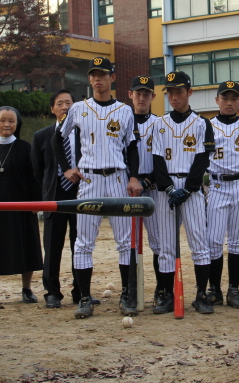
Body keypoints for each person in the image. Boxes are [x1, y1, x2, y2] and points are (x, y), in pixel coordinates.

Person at [53, 57, 143, 319]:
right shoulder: (79, 108)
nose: (97, 79)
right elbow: (58, 139)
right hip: (89, 179)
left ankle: (127, 294)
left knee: (125, 241)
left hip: (116, 177)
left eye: (102, 74)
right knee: (83, 242)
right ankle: (84, 297)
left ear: (112, 78)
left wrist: (134, 177)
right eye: (93, 74)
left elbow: (133, 147)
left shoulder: (125, 110)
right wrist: (66, 167)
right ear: (89, 78)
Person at [150, 71, 216, 314]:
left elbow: (201, 160)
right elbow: (157, 161)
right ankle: (167, 294)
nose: (174, 96)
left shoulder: (201, 123)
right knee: (167, 246)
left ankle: (201, 294)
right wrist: (168, 188)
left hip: (192, 190)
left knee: (199, 244)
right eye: (171, 92)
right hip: (166, 190)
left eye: (179, 91)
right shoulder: (159, 124)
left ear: (189, 92)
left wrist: (187, 189)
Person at [0, 106, 43, 306]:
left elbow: (34, 178)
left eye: (11, 121)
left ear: (17, 124)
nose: (6, 124)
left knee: (26, 247)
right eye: (2, 120)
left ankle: (27, 289)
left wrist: (35, 202)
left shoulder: (25, 147)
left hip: (21, 207)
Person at [205, 81, 239, 309]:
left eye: (234, 98)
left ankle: (233, 289)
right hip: (217, 185)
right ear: (217, 100)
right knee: (214, 241)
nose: (229, 102)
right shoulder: (206, 126)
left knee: (238, 241)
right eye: (225, 98)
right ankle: (214, 290)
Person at [31, 89, 84, 309]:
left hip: (81, 196)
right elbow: (37, 169)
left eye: (68, 103)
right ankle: (52, 292)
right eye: (60, 103)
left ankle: (80, 291)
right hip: (54, 196)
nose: (64, 107)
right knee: (52, 247)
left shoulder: (83, 133)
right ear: (52, 109)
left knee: (80, 246)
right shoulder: (41, 136)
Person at [125, 76, 162, 308]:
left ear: (153, 97)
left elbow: (166, 158)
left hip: (154, 187)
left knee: (158, 243)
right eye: (137, 93)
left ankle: (161, 290)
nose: (141, 97)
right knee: (129, 244)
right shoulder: (121, 121)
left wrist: (148, 179)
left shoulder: (160, 123)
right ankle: (131, 290)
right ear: (130, 95)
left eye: (146, 94)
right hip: (128, 187)